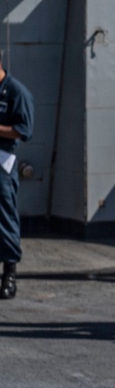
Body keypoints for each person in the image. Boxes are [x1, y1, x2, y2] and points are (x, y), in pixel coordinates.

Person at [0, 50, 34, 300]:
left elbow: (24, 130)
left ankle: (9, 273)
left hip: (3, 163)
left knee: (5, 215)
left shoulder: (16, 92)